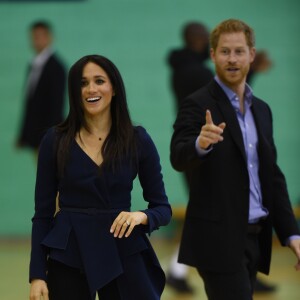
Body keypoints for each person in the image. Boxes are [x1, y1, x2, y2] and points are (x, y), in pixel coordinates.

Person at [170, 19, 300, 300]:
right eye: (225, 51)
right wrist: (199, 144)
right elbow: (178, 156)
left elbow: (272, 176)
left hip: (256, 237)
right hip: (218, 240)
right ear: (213, 54)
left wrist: (292, 235)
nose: (232, 59)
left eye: (239, 51)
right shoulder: (197, 103)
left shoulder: (262, 110)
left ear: (251, 55)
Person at [29, 54, 172, 300]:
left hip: (122, 247)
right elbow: (42, 215)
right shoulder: (54, 141)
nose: (91, 89)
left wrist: (141, 216)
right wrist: (37, 275)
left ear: (114, 88)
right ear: (74, 91)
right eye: (83, 83)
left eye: (99, 81)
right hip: (68, 252)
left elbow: (162, 208)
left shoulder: (138, 140)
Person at [166, 21, 213, 294]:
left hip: (193, 146)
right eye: (205, 38)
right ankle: (176, 268)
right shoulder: (195, 72)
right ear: (195, 40)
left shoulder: (183, 68)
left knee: (204, 209)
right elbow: (225, 97)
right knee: (204, 210)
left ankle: (177, 268)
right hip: (199, 148)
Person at [16, 20, 66, 156]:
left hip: (47, 136)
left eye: (40, 36)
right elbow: (30, 101)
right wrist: (23, 134)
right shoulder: (33, 65)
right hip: (35, 134)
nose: (36, 40)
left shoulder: (56, 67)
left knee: (50, 174)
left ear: (50, 37)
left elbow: (57, 105)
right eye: (34, 37)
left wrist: (51, 137)